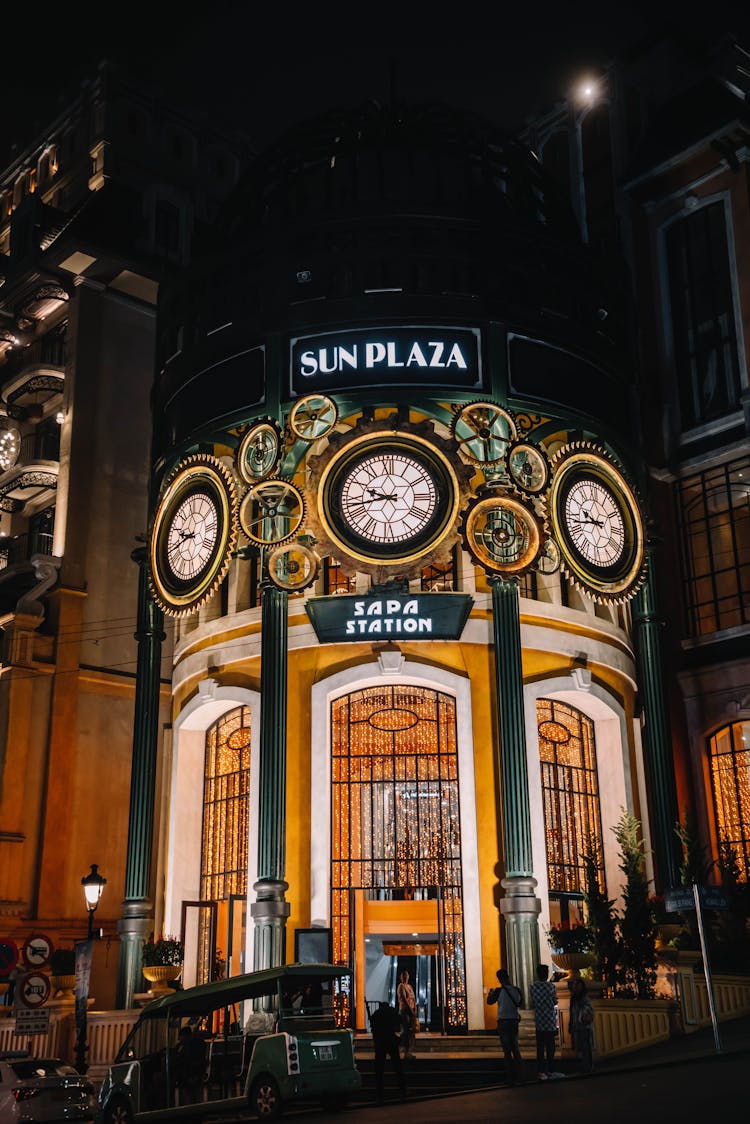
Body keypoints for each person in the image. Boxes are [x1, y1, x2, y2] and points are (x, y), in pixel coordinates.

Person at [487, 968, 524, 1085]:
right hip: (513, 1021)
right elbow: (520, 1003)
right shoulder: (516, 990)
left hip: (503, 1022)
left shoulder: (498, 991)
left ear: (499, 979)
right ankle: (520, 1075)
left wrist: (490, 994)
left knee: (507, 1051)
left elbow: (489, 1001)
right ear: (508, 977)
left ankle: (509, 1076)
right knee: (515, 1048)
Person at [370, 1000, 407, 1105]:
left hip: (380, 1042)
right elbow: (399, 1021)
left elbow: (373, 1027)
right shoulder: (391, 1011)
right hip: (391, 1040)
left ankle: (379, 1094)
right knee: (397, 1066)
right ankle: (402, 1089)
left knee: (379, 1070)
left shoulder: (376, 1014)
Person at [529, 963, 561, 1081]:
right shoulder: (551, 987)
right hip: (550, 1020)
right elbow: (554, 1001)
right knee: (550, 1046)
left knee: (540, 1047)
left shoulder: (532, 987)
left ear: (537, 974)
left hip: (539, 1020)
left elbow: (533, 1002)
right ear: (546, 974)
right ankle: (551, 1069)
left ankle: (541, 1071)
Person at [174, 1025, 206, 1105]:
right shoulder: (181, 1046)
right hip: (185, 1071)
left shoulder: (195, 1045)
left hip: (191, 1072)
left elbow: (195, 1060)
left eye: (181, 1037)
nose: (180, 1039)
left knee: (190, 1093)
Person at [569, 977, 595, 1073]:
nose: (576, 987)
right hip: (577, 1026)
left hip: (585, 1026)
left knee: (586, 1047)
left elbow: (589, 1009)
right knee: (580, 1047)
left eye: (578, 985)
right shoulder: (574, 998)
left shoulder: (584, 998)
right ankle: (585, 1066)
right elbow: (571, 1012)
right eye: (575, 985)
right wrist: (570, 1024)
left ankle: (588, 1066)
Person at [396, 969, 417, 1060]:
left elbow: (413, 999)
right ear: (401, 977)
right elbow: (404, 999)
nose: (405, 977)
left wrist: (415, 1009)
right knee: (405, 1031)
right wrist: (411, 1010)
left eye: (407, 975)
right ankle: (405, 1052)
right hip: (405, 1011)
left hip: (411, 1010)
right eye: (404, 975)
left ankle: (408, 1051)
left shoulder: (409, 986)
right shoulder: (401, 986)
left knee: (411, 1032)